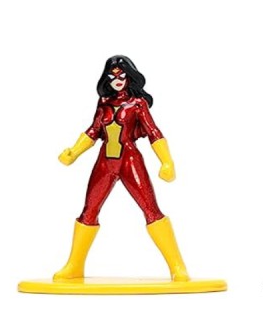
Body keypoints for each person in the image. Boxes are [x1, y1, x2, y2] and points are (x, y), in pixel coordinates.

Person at [54, 55, 190, 282]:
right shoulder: (104, 103)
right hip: (105, 162)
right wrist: (74, 152)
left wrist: (167, 161)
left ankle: (178, 267)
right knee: (89, 211)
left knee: (151, 210)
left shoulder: (138, 104)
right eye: (112, 75)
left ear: (130, 76)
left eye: (122, 75)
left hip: (130, 161)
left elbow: (153, 132)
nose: (117, 79)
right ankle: (74, 266)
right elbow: (93, 131)